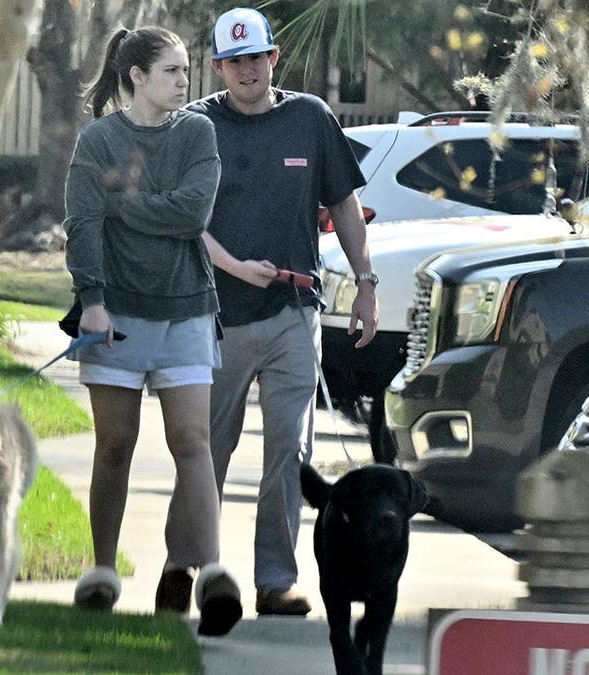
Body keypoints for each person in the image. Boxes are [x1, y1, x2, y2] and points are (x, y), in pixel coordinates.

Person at [183, 7, 379, 616]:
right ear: (218, 66)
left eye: (256, 57)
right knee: (207, 451)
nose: (246, 69)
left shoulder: (311, 119)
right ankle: (198, 570)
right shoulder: (196, 126)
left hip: (295, 312)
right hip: (217, 318)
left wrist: (366, 284)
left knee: (288, 450)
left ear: (274, 58)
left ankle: (275, 579)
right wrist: (236, 269)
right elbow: (183, 224)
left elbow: (344, 206)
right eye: (233, 60)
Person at [62, 25, 242, 637]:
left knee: (193, 444)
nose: (185, 82)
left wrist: (123, 206)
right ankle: (102, 572)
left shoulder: (198, 131)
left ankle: (214, 571)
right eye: (173, 70)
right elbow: (82, 224)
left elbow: (194, 212)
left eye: (186, 71)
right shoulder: (98, 140)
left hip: (188, 310)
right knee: (114, 447)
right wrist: (91, 301)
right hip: (114, 315)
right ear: (136, 75)